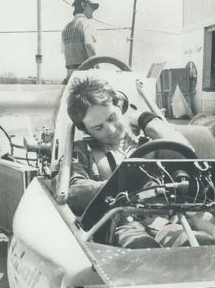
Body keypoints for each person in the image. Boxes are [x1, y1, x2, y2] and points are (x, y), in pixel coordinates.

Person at [65, 77, 189, 214]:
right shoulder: (81, 151)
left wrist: (147, 120)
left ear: (120, 106)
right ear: (86, 130)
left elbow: (188, 156)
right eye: (98, 127)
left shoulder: (149, 141)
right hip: (124, 223)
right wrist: (128, 186)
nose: (111, 130)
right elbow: (71, 191)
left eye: (112, 118)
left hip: (171, 214)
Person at [62, 0, 99, 83]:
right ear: (84, 5)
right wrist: (97, 67)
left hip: (71, 77)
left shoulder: (66, 28)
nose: (93, 10)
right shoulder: (86, 23)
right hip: (85, 77)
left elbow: (65, 52)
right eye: (91, 7)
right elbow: (89, 44)